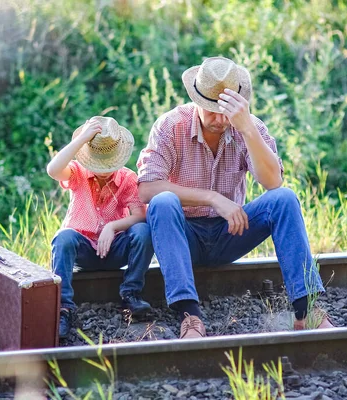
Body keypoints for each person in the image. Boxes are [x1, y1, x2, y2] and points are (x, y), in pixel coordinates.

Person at [137, 56, 334, 339]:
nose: (219, 120)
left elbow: (272, 182)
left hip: (231, 231)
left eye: (225, 112)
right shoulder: (170, 125)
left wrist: (247, 129)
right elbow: (146, 189)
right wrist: (213, 198)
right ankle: (190, 317)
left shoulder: (248, 127)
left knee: (285, 198)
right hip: (185, 236)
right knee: (163, 202)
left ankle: (307, 311)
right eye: (211, 111)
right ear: (197, 102)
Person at [47, 116, 154, 339]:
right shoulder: (78, 173)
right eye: (99, 162)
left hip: (114, 249)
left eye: (109, 163)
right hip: (84, 249)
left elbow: (139, 215)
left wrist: (113, 226)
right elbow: (53, 170)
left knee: (143, 231)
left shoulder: (127, 178)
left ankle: (131, 294)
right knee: (63, 238)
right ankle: (63, 308)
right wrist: (82, 139)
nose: (104, 170)